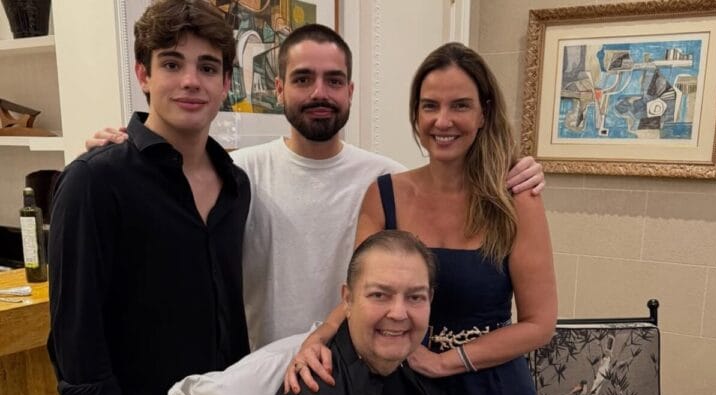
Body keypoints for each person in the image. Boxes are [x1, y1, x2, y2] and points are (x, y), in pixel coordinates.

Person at [86, 25, 546, 353]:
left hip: (353, 373)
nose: (319, 93)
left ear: (351, 91)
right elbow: (167, 202)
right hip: (257, 370)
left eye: (334, 81)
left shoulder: (386, 180)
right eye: (303, 79)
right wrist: (124, 152)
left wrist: (520, 169)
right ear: (279, 89)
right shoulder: (236, 173)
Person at [287, 42, 557, 395]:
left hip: (492, 387)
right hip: (405, 385)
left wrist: (445, 362)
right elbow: (364, 294)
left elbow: (539, 325)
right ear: (416, 115)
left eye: (460, 105)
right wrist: (318, 338)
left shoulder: (516, 198)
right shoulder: (384, 194)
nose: (442, 121)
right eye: (430, 106)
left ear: (483, 113)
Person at [47, 1, 251, 395]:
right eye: (172, 64)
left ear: (226, 83)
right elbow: (77, 343)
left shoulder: (236, 185)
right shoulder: (94, 181)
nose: (191, 81)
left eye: (208, 68)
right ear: (144, 75)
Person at [271, 230, 450, 395]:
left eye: (415, 297)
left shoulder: (422, 378)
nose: (398, 314)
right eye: (379, 295)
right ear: (348, 300)